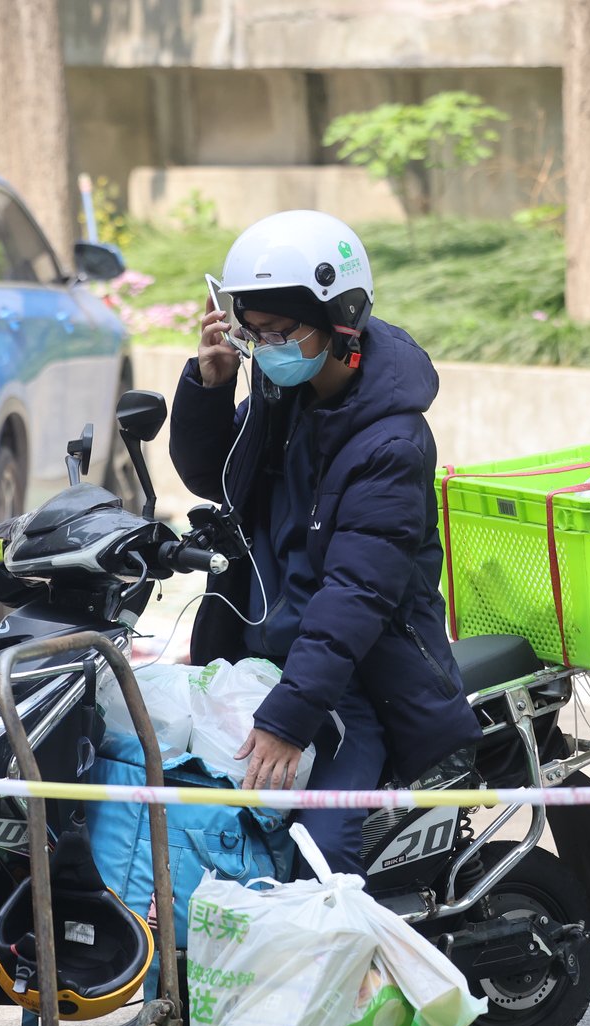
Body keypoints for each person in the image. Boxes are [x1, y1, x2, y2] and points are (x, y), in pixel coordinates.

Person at [171, 209, 481, 878]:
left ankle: (341, 937)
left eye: (280, 331)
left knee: (314, 858)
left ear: (341, 321)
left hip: (353, 685)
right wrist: (211, 386)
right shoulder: (284, 394)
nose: (265, 346)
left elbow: (355, 596)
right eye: (252, 332)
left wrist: (290, 717)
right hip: (268, 662)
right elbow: (217, 478)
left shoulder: (390, 444)